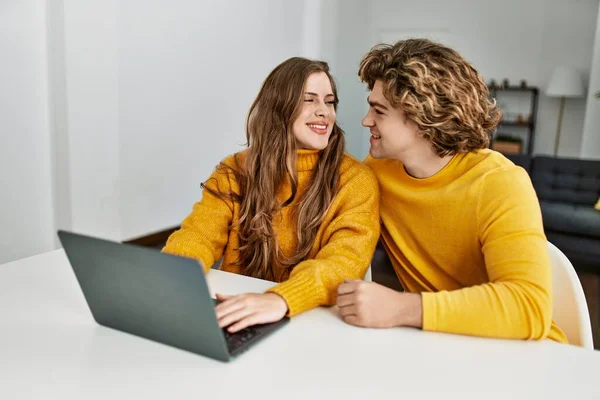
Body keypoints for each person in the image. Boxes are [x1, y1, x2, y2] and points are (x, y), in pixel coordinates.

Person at [336, 38, 567, 343]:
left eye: (378, 111)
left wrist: (402, 308)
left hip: (521, 357)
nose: (366, 121)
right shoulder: (379, 171)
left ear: (422, 116)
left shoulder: (500, 184)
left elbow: (528, 308)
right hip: (438, 345)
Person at [163, 57, 380, 333]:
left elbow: (343, 263)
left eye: (329, 101)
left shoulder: (355, 180)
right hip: (239, 314)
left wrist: (280, 299)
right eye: (309, 100)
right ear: (279, 107)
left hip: (311, 321)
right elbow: (198, 235)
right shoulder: (235, 169)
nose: (324, 111)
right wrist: (170, 277)